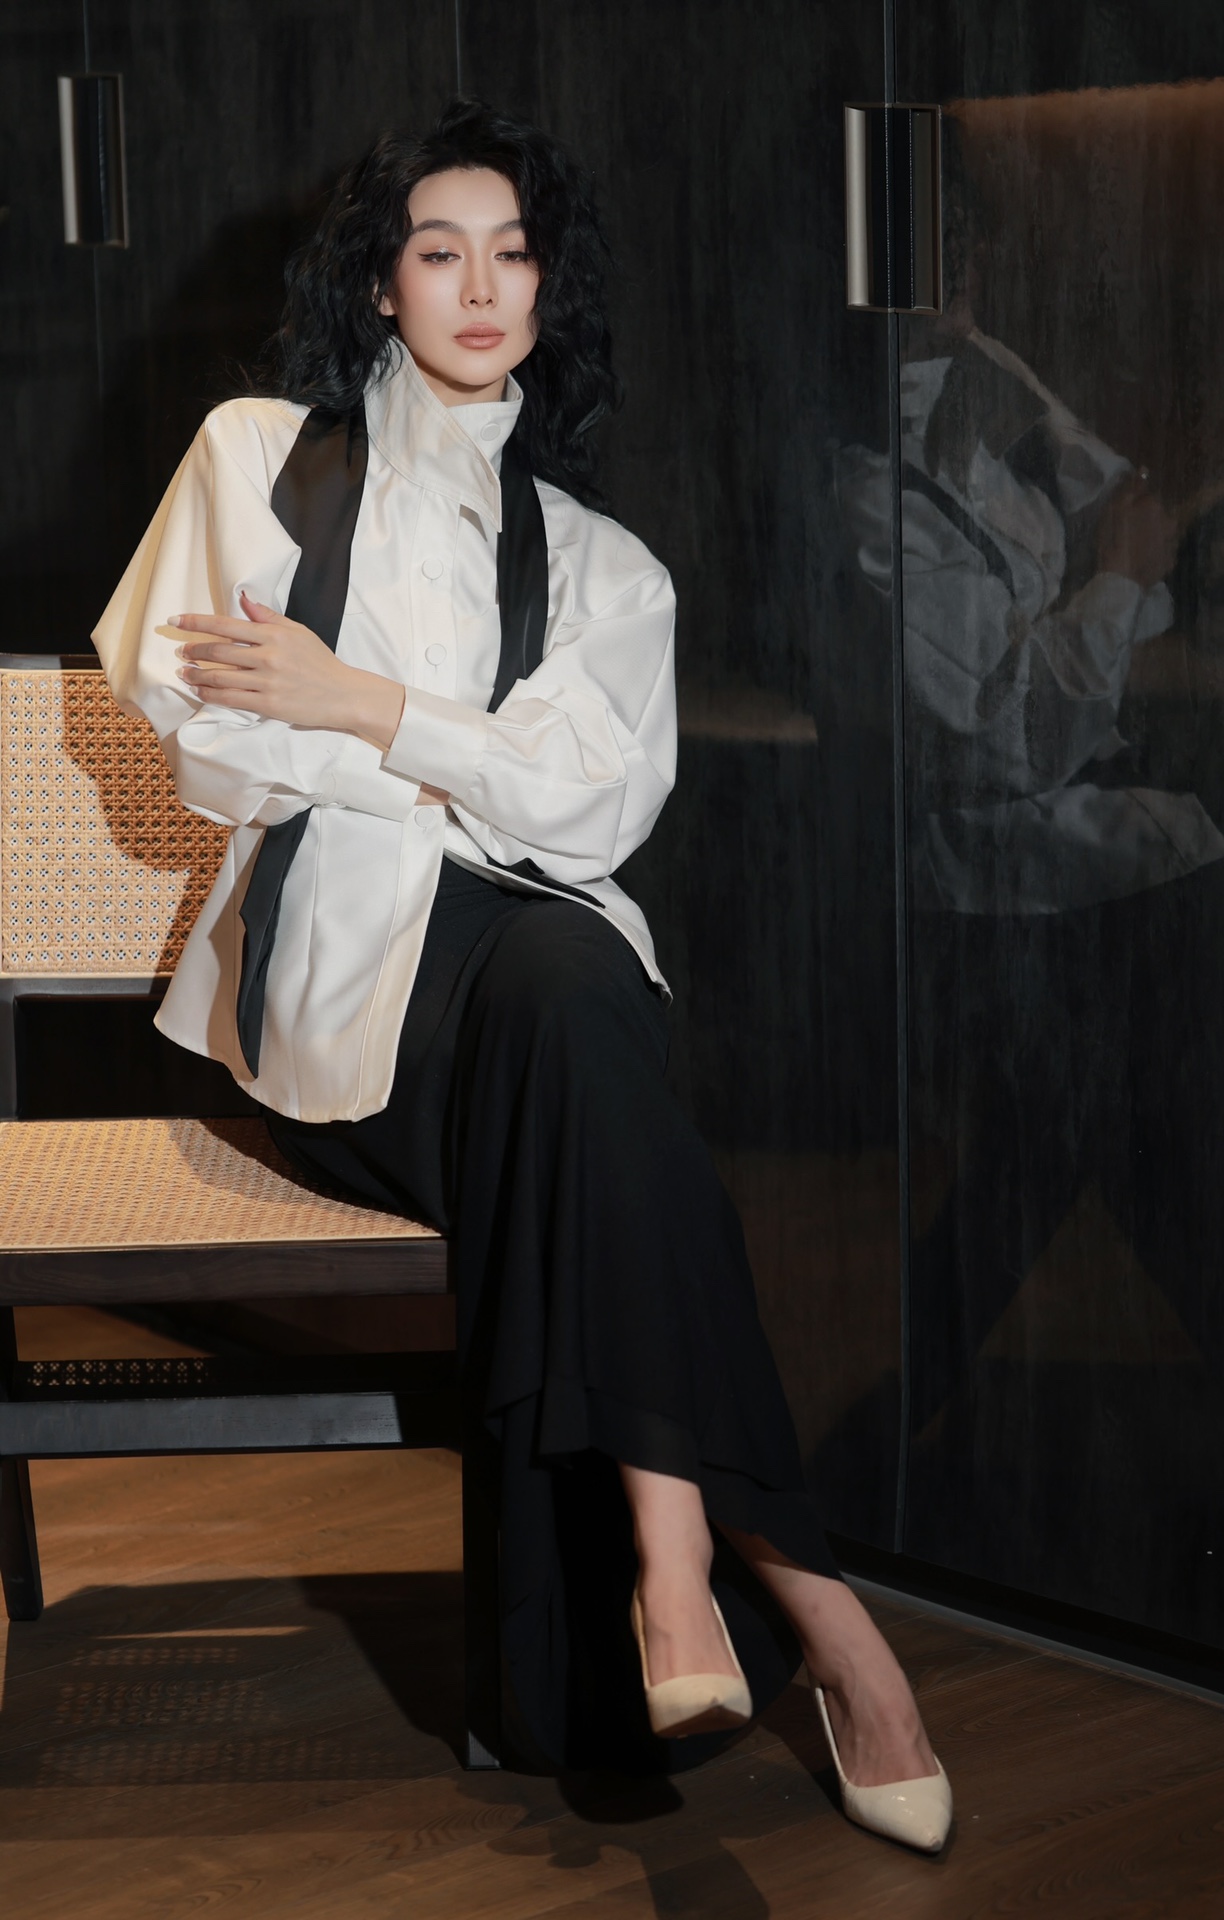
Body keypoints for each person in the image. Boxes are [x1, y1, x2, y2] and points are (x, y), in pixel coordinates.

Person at [92, 99, 950, 1849]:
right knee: (580, 1024)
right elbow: (212, 752)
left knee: (570, 1002)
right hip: (347, 1005)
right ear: (382, 283)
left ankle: (680, 1585)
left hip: (547, 988)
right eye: (439, 251)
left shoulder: (606, 566)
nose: (481, 288)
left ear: (551, 290)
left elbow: (601, 812)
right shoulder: (260, 458)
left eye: (515, 253)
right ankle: (815, 1621)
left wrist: (359, 705)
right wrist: (468, 760)